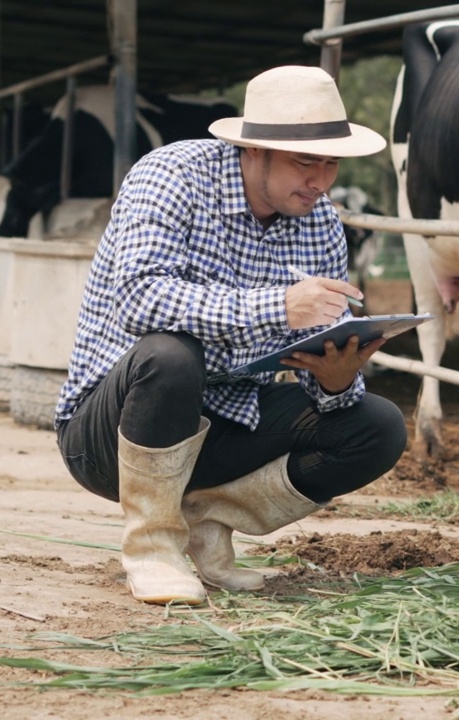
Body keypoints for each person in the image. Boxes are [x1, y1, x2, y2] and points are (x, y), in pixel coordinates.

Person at [54, 66, 407, 605]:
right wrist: (279, 306)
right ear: (252, 150)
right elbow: (139, 300)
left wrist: (336, 381)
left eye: (331, 162)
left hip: (226, 419)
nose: (320, 180)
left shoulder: (321, 222)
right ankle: (151, 549)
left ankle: (206, 522)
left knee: (376, 427)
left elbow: (325, 364)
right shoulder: (170, 176)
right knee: (172, 356)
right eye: (304, 162)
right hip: (113, 430)